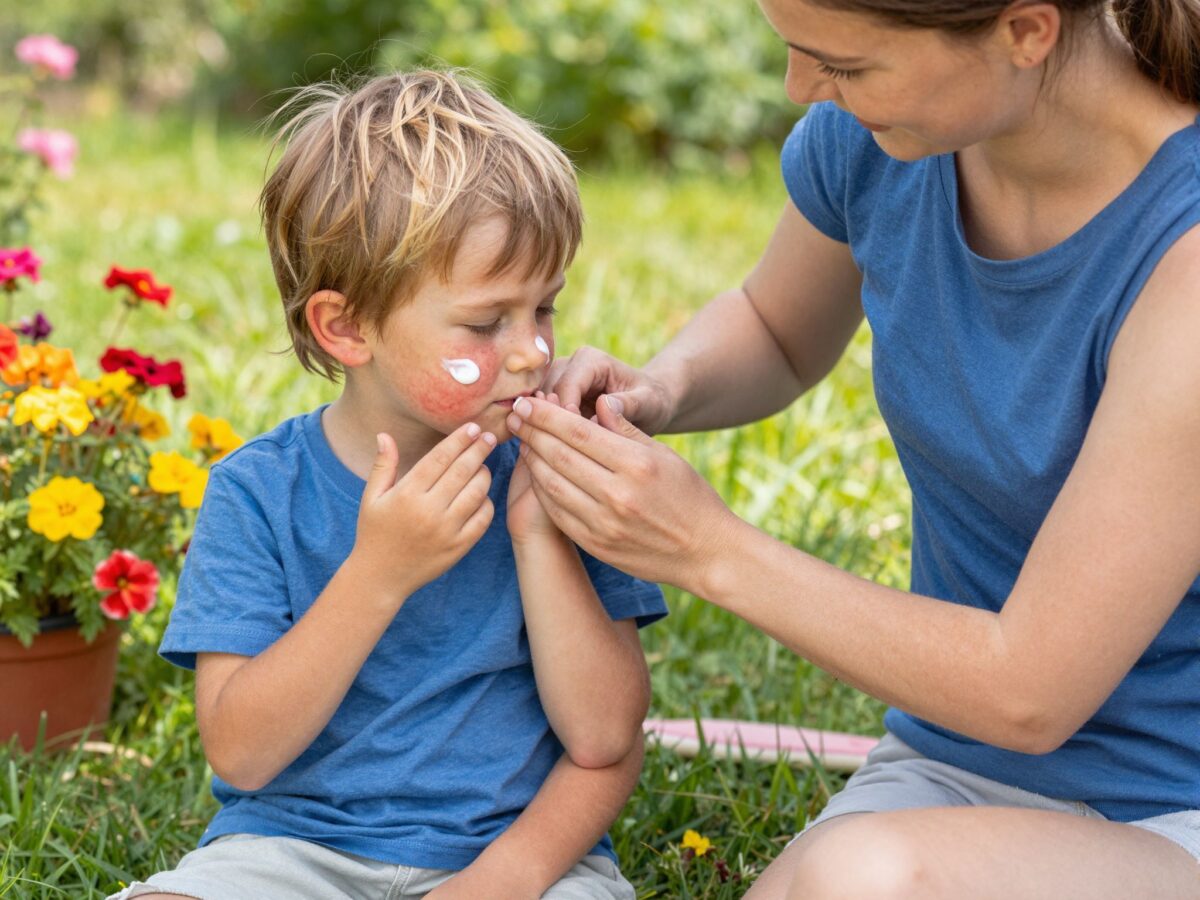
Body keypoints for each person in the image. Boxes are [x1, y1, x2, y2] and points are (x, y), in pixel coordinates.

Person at [505, 1, 1200, 896]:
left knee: (858, 876)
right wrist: (658, 388)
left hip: (1173, 804)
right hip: (952, 765)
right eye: (796, 51)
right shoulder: (889, 142)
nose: (803, 90)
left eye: (846, 65)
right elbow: (776, 326)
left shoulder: (1182, 262)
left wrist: (704, 547)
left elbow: (1029, 691)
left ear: (1027, 32)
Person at [109, 71, 665, 900]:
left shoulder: (569, 474)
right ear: (346, 326)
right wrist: (379, 572)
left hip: (521, 859)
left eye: (544, 308)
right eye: (485, 323)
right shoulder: (258, 493)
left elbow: (607, 740)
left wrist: (540, 535)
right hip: (292, 854)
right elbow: (242, 750)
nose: (532, 353)